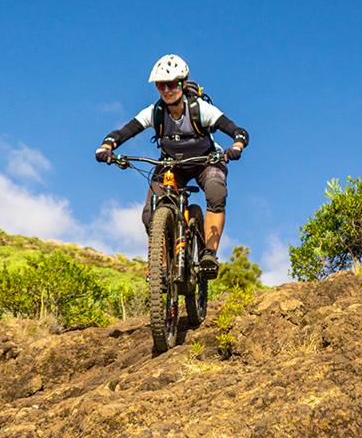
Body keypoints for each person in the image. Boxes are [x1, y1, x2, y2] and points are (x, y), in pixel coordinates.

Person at [96, 54, 248, 278]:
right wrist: (107, 147)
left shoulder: (199, 109)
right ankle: (161, 267)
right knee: (149, 213)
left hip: (205, 161)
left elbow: (238, 132)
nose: (167, 90)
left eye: (173, 84)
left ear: (182, 84)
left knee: (216, 192)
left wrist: (236, 146)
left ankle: (208, 254)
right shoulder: (155, 113)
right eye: (161, 85)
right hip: (171, 165)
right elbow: (123, 132)